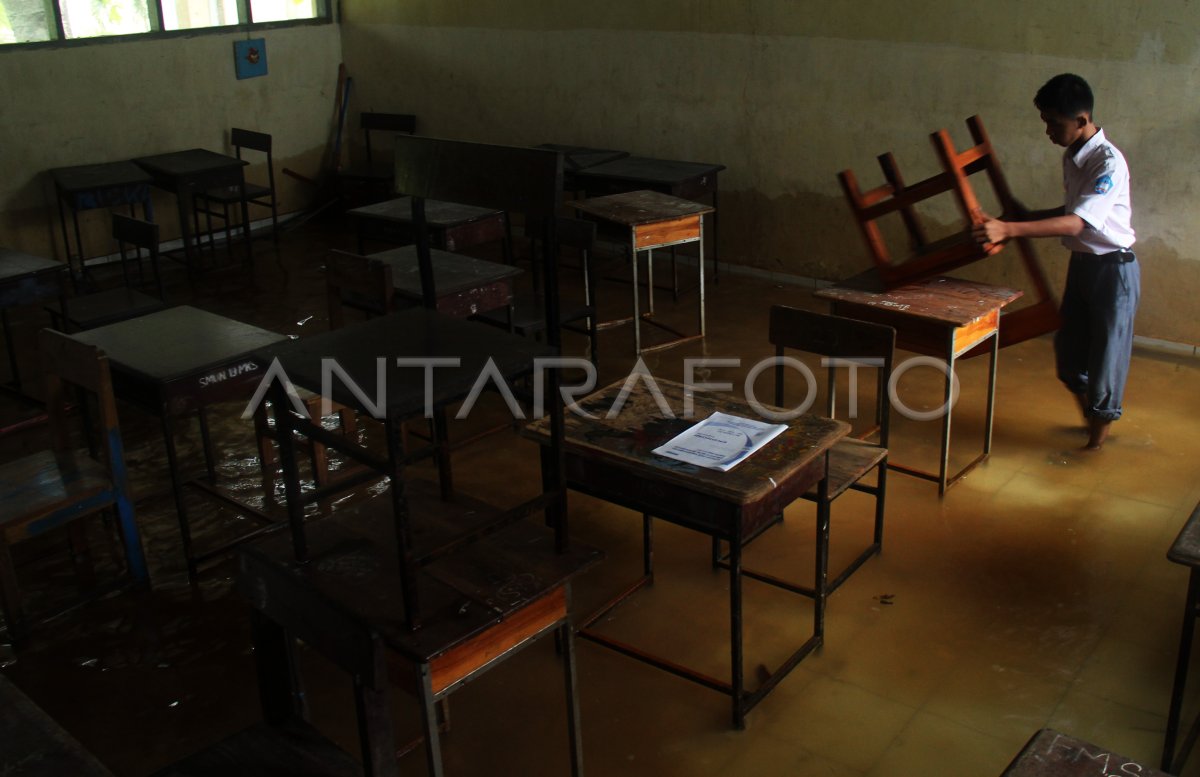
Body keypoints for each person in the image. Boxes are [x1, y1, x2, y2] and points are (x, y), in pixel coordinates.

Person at [973, 73, 1139, 451]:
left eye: (1054, 123)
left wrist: (1011, 229)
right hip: (1083, 265)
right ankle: (1092, 429)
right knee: (1069, 357)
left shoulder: (1108, 163)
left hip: (1114, 270)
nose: (1048, 130)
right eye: (1045, 121)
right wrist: (1025, 216)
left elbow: (1078, 222)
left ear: (1081, 120)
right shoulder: (1074, 155)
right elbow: (1072, 211)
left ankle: (1094, 448)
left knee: (1106, 365)